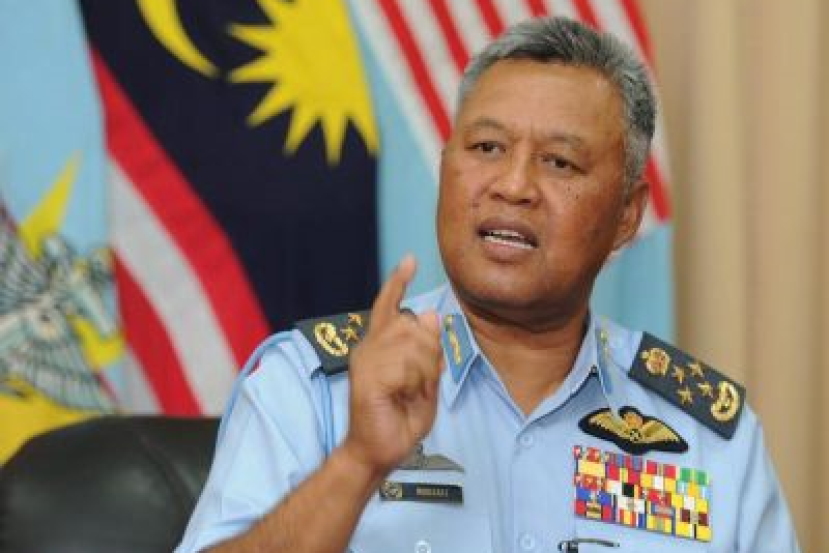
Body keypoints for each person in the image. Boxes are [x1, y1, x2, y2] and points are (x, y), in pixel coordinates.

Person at [177, 16, 800, 553]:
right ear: (446, 167)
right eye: (486, 147)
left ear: (626, 216)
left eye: (559, 162)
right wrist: (358, 461)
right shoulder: (309, 391)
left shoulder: (704, 439)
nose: (513, 185)